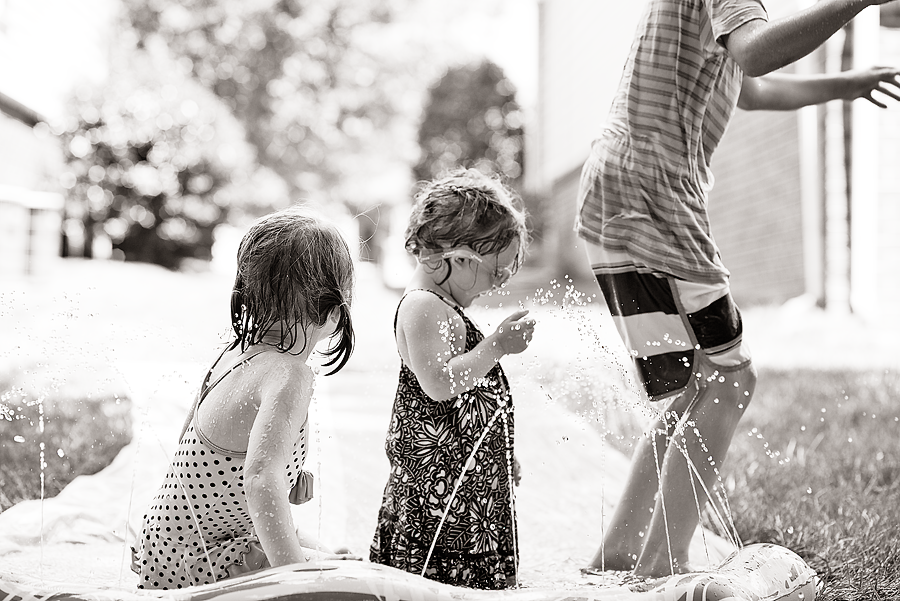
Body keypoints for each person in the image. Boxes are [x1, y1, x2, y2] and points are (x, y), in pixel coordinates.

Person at [576, 0, 900, 579]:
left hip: (615, 192)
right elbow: (756, 50)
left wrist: (844, 85)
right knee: (731, 378)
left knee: (693, 386)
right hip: (655, 196)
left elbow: (748, 85)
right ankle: (661, 570)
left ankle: (617, 558)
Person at [131, 206, 357, 589]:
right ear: (335, 313)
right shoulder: (290, 375)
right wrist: (299, 581)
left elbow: (204, 449)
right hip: (202, 559)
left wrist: (288, 477)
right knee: (343, 574)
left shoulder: (234, 354)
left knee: (320, 547)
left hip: (163, 545)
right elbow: (258, 480)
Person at [369, 169, 535, 589]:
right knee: (432, 588)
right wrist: (495, 345)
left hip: (465, 497)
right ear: (456, 258)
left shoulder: (444, 304)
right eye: (496, 271)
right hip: (437, 500)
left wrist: (498, 453)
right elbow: (438, 384)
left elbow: (469, 393)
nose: (499, 284)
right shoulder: (423, 307)